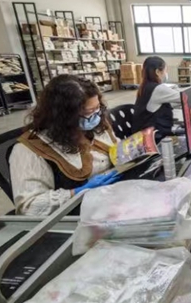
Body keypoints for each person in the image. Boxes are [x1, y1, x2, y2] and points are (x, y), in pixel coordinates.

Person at [9, 75, 120, 216]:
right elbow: (29, 207)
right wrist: (76, 193)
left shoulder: (97, 124)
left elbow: (115, 145)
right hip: (80, 214)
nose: (95, 117)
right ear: (63, 117)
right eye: (88, 112)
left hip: (111, 198)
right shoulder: (29, 150)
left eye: (97, 108)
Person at [132, 56, 180, 140]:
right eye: (165, 70)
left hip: (142, 133)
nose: (166, 73)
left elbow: (161, 105)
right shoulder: (157, 89)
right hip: (152, 138)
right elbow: (184, 96)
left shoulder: (145, 86)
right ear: (157, 72)